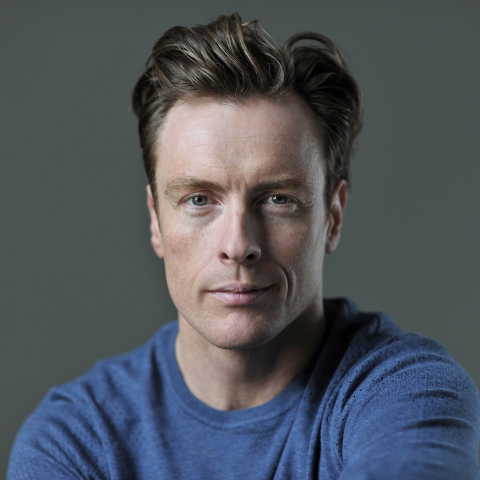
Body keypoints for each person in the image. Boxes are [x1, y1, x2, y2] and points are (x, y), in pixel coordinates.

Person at [8, 12, 480, 480]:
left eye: (277, 199)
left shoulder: (405, 392)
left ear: (332, 217)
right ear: (155, 219)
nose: (238, 246)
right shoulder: (76, 436)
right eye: (199, 200)